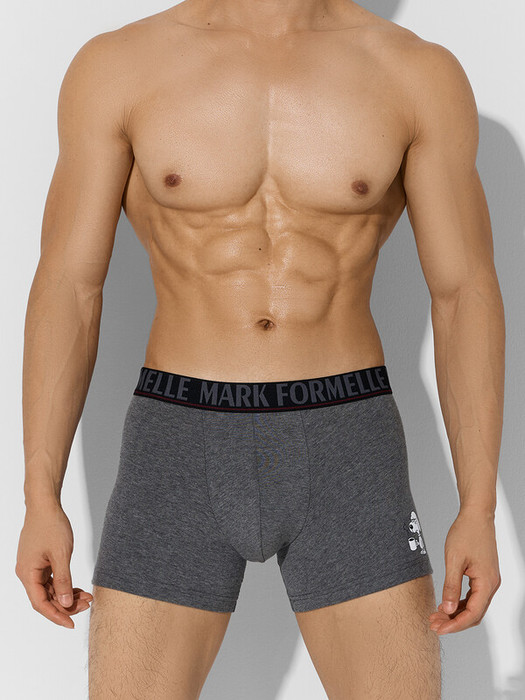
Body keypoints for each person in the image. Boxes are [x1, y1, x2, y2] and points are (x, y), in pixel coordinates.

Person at [15, 0, 504, 697]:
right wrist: (40, 494)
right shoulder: (119, 66)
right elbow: (69, 286)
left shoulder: (415, 73)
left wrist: (477, 507)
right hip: (177, 442)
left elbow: (463, 294)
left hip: (346, 442)